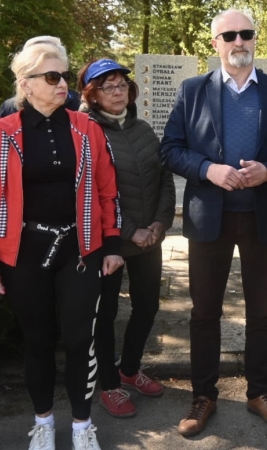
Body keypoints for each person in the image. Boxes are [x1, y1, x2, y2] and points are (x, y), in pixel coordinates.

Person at [0, 37, 123, 450]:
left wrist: (112, 243)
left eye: (64, 76)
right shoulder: (2, 134)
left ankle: (82, 425)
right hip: (22, 254)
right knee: (36, 342)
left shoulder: (87, 128)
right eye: (52, 77)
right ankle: (42, 422)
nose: (63, 85)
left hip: (80, 250)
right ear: (26, 83)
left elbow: (108, 190)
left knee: (78, 341)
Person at [159, 9, 267, 438]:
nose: (240, 41)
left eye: (246, 33)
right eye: (230, 35)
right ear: (215, 43)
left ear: (255, 38)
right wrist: (208, 170)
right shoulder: (192, 90)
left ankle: (261, 392)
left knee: (261, 312)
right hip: (209, 218)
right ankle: (203, 396)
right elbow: (171, 149)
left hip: (261, 216)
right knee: (204, 312)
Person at [78, 58, 175, 418]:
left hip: (149, 239)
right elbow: (94, 189)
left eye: (122, 85)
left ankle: (129, 370)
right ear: (92, 94)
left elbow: (164, 178)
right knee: (105, 315)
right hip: (110, 242)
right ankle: (109, 385)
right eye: (108, 87)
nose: (118, 92)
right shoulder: (86, 132)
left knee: (147, 306)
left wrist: (160, 223)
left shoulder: (143, 129)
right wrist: (131, 229)